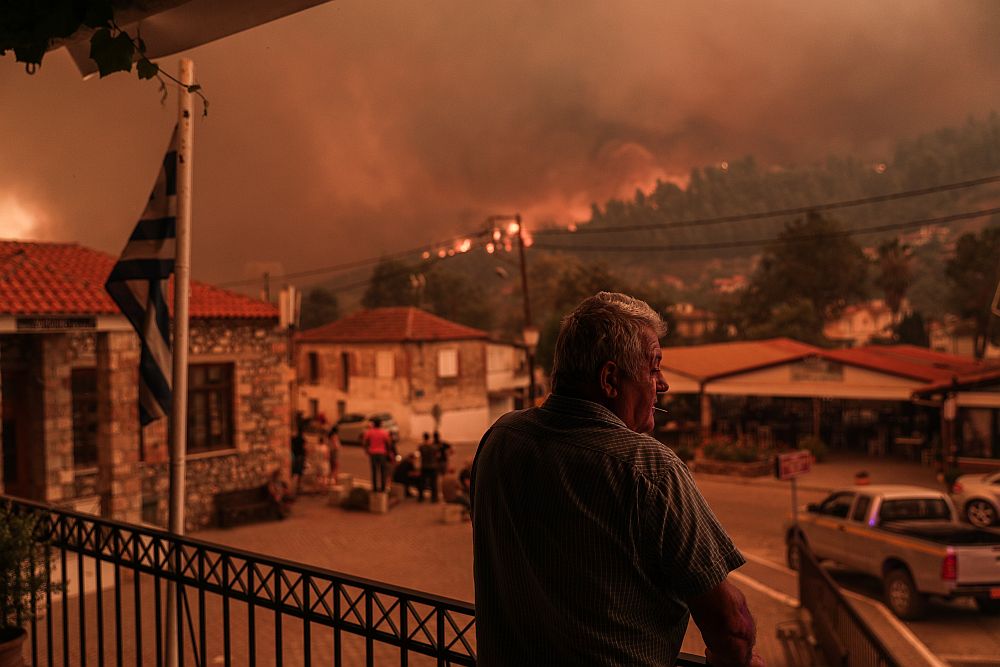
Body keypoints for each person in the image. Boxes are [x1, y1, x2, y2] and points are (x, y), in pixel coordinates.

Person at [471, 292, 762, 667]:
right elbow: (731, 626)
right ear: (610, 379)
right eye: (654, 368)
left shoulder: (501, 438)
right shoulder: (649, 469)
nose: (663, 385)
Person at [363, 416, 392, 493]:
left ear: (373, 424)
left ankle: (375, 488)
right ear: (380, 424)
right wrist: (388, 452)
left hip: (373, 453)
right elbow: (388, 443)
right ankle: (383, 488)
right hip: (382, 453)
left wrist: (366, 450)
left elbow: (365, 442)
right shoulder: (384, 432)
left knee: (374, 471)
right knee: (383, 471)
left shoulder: (369, 432)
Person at [418, 432, 439, 502]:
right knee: (433, 483)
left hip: (424, 466)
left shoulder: (421, 446)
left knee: (422, 482)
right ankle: (434, 498)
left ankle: (421, 497)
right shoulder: (433, 446)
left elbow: (420, 453)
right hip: (433, 466)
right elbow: (437, 454)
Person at [290, 425, 306, 498]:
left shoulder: (294, 439)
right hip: (300, 456)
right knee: (299, 473)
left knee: (294, 472)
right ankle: (298, 487)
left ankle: (293, 486)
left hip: (295, 456)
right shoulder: (302, 439)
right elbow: (304, 448)